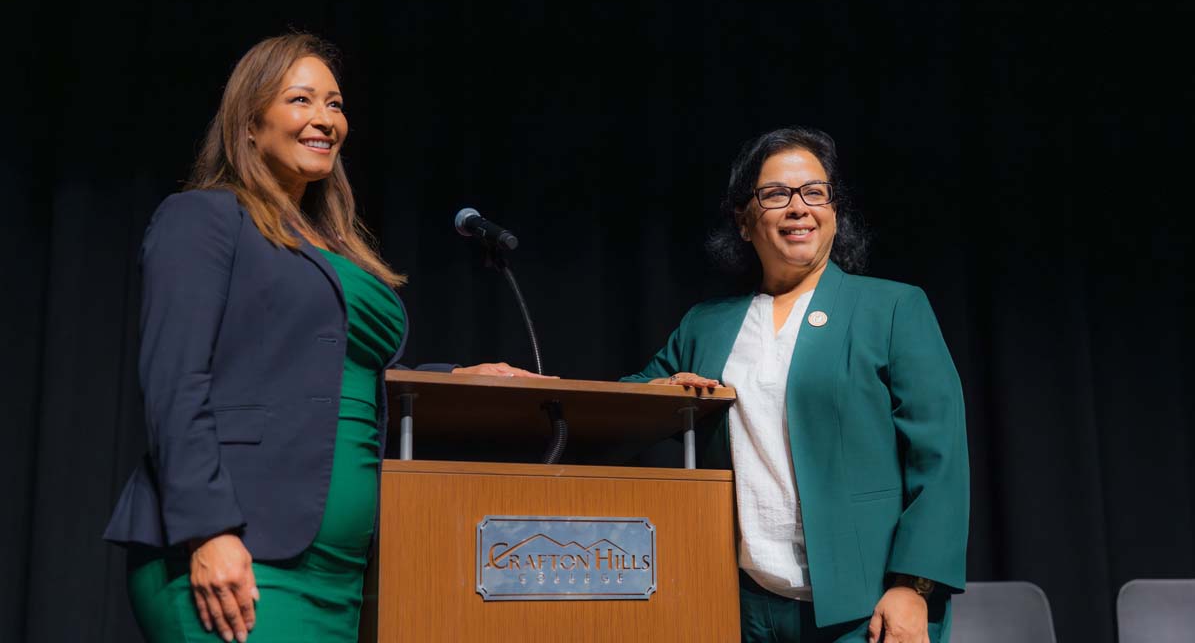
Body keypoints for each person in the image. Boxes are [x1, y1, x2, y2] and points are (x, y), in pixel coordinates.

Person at [103, 33, 543, 643]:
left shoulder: (334, 249)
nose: (325, 118)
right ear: (249, 124)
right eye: (300, 99)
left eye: (334, 104)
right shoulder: (204, 218)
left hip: (340, 571)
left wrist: (451, 380)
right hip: (237, 549)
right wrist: (208, 530)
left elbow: (332, 372)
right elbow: (173, 381)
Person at [621, 127, 968, 643]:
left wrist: (913, 586)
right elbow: (623, 403)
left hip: (867, 606)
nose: (799, 207)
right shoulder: (707, 325)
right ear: (744, 220)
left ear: (834, 211)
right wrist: (662, 389)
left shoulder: (892, 307)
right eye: (776, 194)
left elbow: (939, 458)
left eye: (814, 192)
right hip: (741, 604)